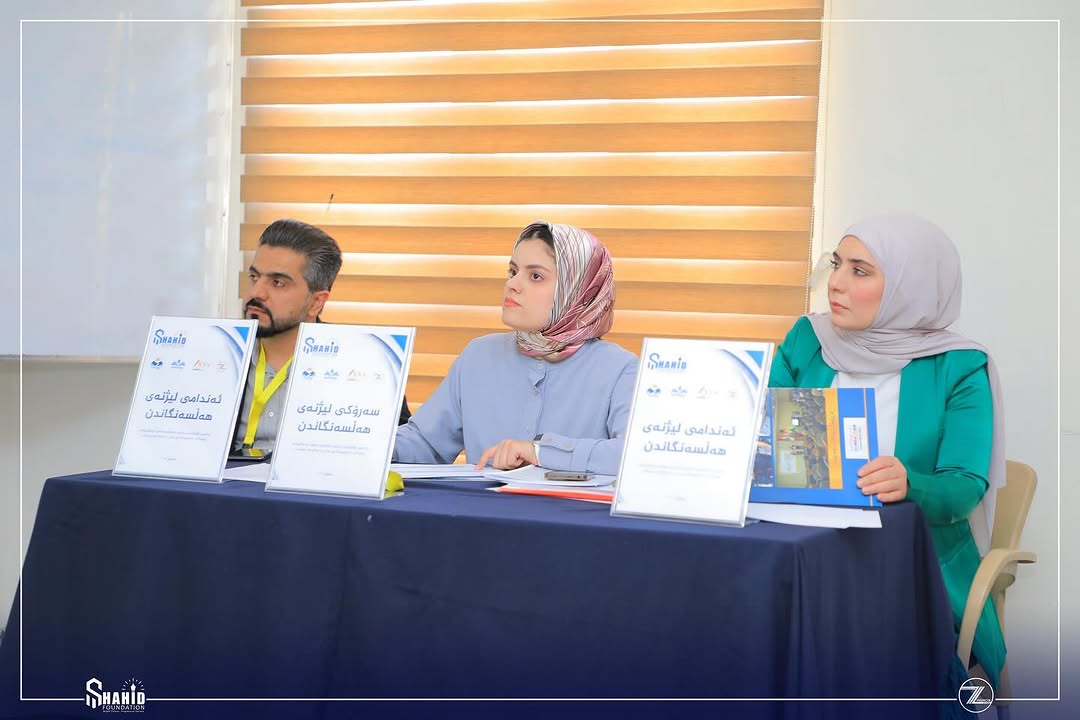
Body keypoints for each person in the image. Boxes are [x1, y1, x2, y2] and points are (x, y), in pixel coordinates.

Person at [768, 212, 1007, 688]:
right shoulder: (808, 339)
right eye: (836, 264)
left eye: (860, 271)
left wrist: (910, 484)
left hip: (908, 571)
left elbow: (964, 487)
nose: (836, 283)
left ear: (907, 286)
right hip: (801, 557)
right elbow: (767, 441)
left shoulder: (957, 364)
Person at [392, 221, 637, 475]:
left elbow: (636, 456)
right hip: (478, 502)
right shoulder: (478, 355)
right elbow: (426, 443)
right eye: (513, 271)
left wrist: (540, 452)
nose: (513, 284)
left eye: (535, 276)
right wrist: (369, 440)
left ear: (578, 291)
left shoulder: (620, 370)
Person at [234, 219, 410, 454]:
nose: (256, 293)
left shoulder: (366, 364)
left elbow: (393, 453)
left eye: (278, 283)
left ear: (316, 302)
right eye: (254, 277)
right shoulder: (219, 353)